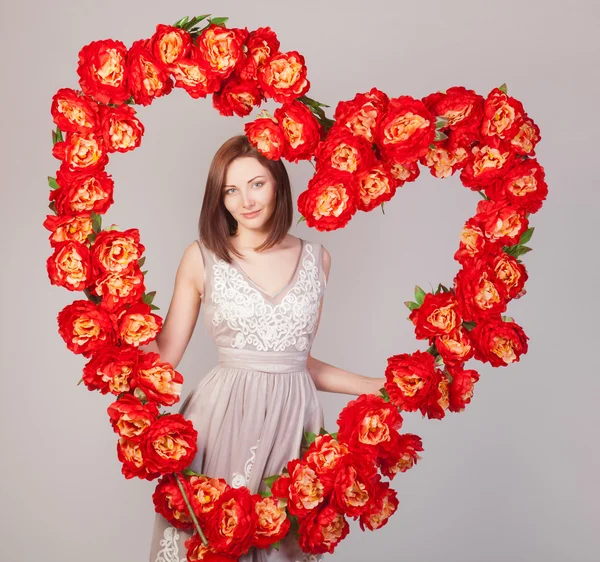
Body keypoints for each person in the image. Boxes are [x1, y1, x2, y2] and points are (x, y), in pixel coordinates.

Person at [146, 135, 386, 562]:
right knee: (217, 540)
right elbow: (164, 358)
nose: (245, 201)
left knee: (279, 544)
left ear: (278, 182)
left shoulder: (317, 258)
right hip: (223, 418)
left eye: (256, 184)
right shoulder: (201, 257)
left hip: (294, 420)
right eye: (230, 190)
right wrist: (117, 323)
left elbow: (295, 361)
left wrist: (376, 386)